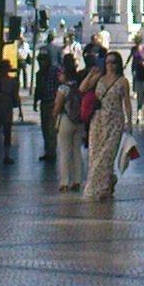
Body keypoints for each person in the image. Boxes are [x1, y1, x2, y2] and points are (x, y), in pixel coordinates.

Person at [83, 52, 133, 201]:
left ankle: (98, 187)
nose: (110, 65)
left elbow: (127, 102)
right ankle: (107, 181)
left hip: (114, 121)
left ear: (118, 64)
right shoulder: (99, 78)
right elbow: (83, 88)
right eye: (108, 62)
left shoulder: (122, 81)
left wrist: (129, 121)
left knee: (106, 155)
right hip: (98, 120)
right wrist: (90, 74)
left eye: (113, 62)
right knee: (95, 155)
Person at [53, 58, 85, 191]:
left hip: (66, 120)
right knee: (77, 151)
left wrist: (53, 117)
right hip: (79, 121)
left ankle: (64, 182)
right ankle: (77, 181)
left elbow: (57, 106)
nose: (59, 75)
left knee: (65, 152)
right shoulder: (79, 86)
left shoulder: (63, 88)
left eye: (61, 73)